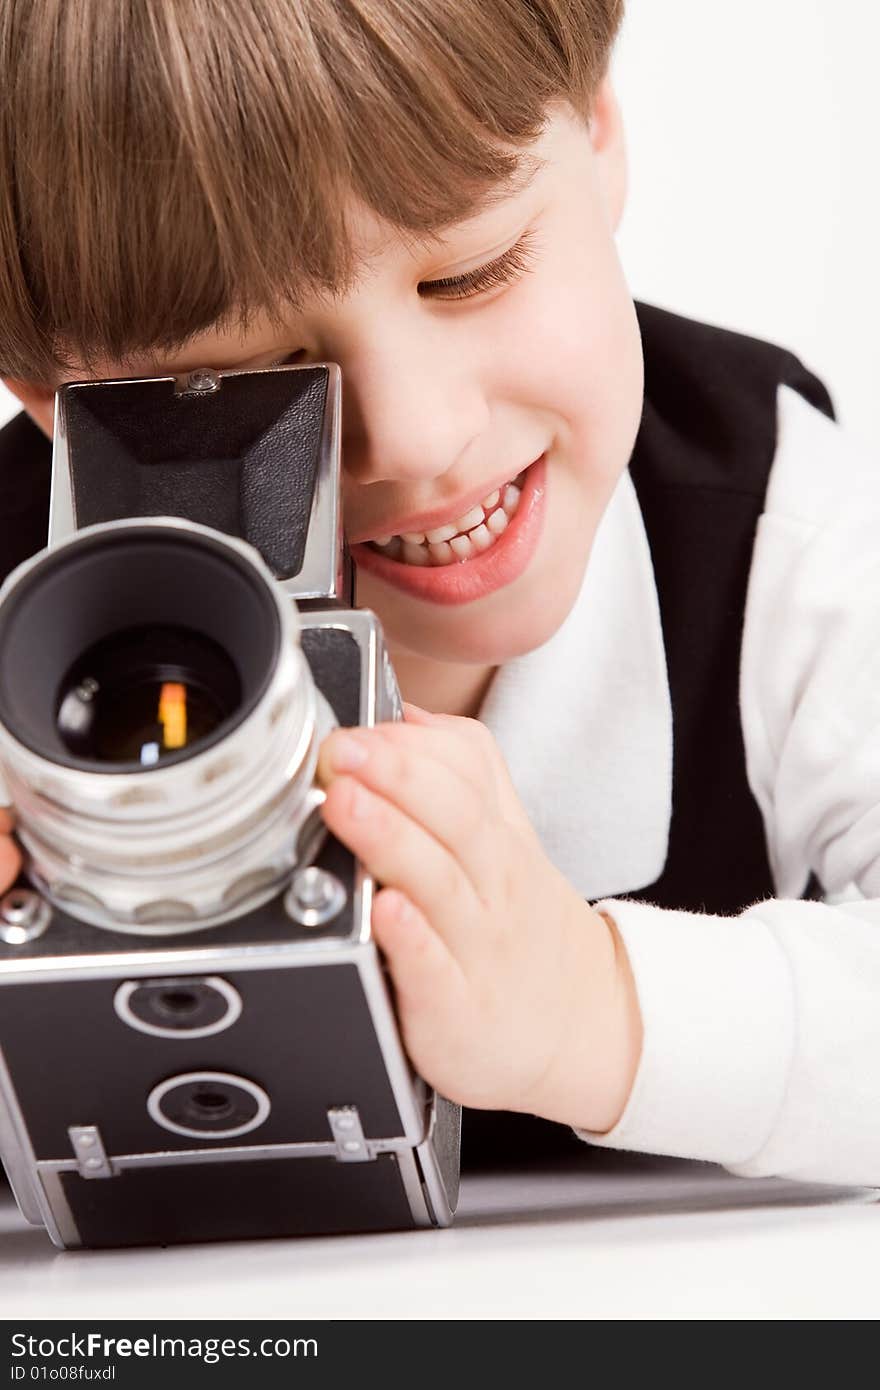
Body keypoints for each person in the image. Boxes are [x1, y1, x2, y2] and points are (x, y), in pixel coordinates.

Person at [0, 0, 878, 1184]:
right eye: (251, 377)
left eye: (470, 270)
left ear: (600, 134)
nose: (416, 435)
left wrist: (593, 1008)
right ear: (58, 402)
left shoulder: (784, 523)